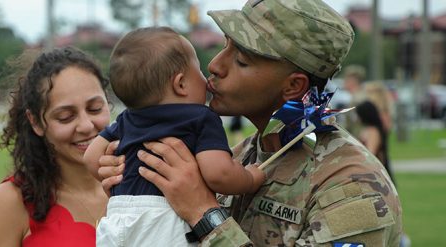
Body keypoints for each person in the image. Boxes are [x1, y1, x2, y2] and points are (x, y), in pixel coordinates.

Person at [98, 0, 403, 246]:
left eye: (242, 60)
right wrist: (130, 185)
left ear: (293, 86)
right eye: (225, 45)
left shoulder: (353, 186)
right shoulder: (238, 155)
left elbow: (201, 215)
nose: (215, 65)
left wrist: (204, 214)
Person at [83, 26, 265, 247]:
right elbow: (219, 173)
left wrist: (114, 178)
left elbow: (91, 158)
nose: (206, 75)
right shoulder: (200, 118)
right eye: (197, 69)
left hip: (117, 216)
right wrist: (250, 179)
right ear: (180, 84)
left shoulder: (125, 119)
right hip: (163, 217)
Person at [0, 47, 110, 246]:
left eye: (95, 109)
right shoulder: (13, 201)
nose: (86, 125)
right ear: (36, 121)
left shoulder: (141, 181)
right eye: (66, 117)